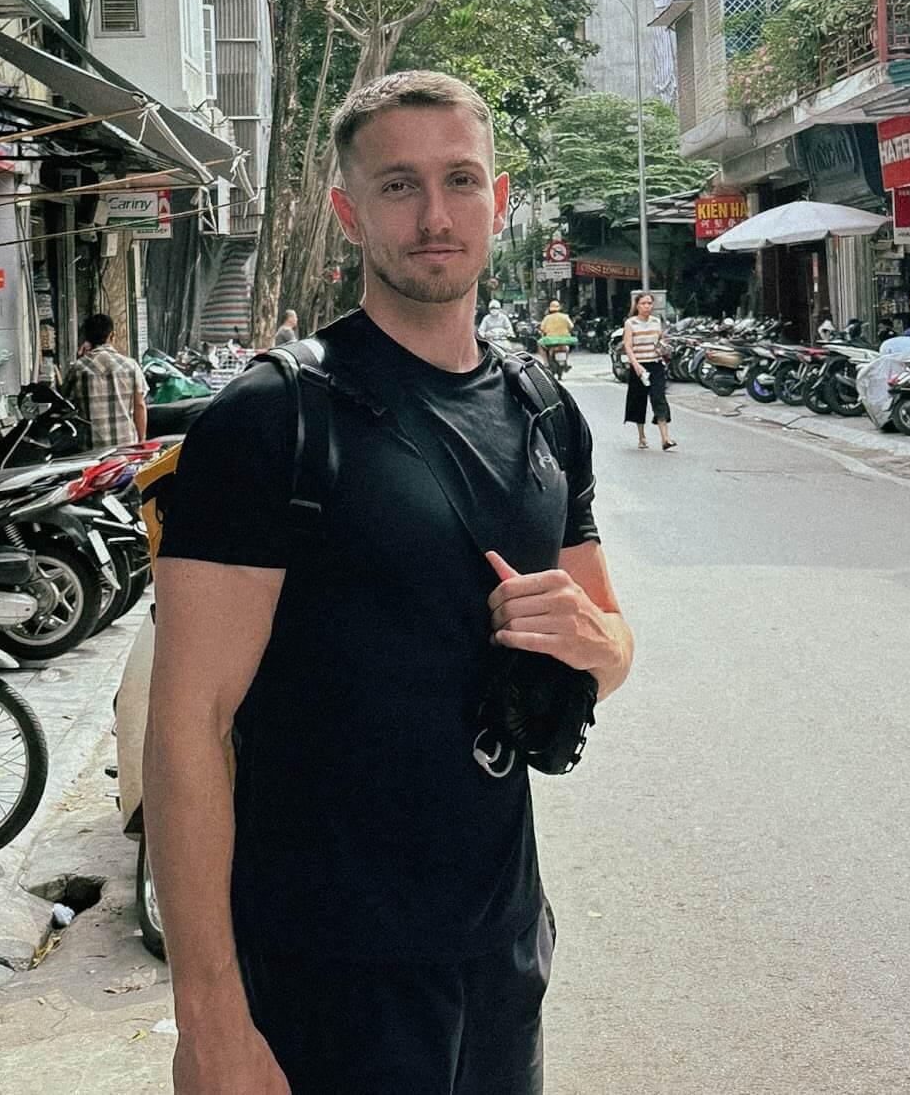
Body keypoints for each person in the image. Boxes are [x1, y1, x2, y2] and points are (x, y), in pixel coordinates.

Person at [146, 69, 634, 1095]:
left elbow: (611, 641)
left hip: (500, 947)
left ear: (499, 200)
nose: (435, 214)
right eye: (399, 185)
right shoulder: (273, 419)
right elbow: (186, 725)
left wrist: (592, 640)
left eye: (460, 179)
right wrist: (211, 1024)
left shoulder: (545, 409)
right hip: (323, 972)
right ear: (347, 212)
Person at [62, 312, 148, 447]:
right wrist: (142, 439)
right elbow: (140, 405)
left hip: (92, 451)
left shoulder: (78, 368)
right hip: (126, 447)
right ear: (112, 335)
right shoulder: (131, 365)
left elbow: (65, 403)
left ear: (86, 338)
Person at [623, 291, 676, 451]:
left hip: (656, 365)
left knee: (659, 398)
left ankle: (665, 438)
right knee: (639, 401)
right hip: (639, 366)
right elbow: (628, 346)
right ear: (637, 306)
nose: (647, 306)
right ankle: (641, 436)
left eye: (649, 303)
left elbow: (660, 340)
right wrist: (636, 366)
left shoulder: (656, 321)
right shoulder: (630, 323)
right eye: (643, 303)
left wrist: (665, 347)